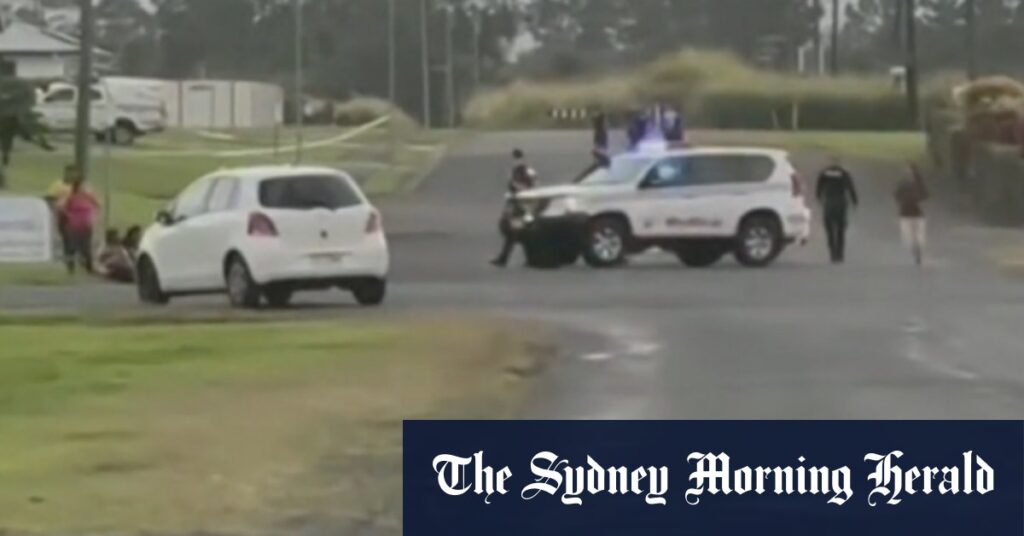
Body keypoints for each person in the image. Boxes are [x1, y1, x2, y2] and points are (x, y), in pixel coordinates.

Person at [491, 149, 537, 267]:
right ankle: (507, 258)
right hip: (522, 205)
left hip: (520, 205)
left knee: (516, 232)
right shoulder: (526, 170)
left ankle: (504, 258)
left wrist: (515, 188)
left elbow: (523, 187)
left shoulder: (520, 171)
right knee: (518, 232)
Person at [816, 156, 859, 264]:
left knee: (829, 230)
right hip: (841, 203)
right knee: (841, 230)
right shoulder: (844, 173)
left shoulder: (824, 173)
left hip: (829, 203)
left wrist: (819, 199)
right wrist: (855, 201)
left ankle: (832, 254)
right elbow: (851, 188)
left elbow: (819, 188)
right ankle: (840, 254)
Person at [58, 178, 100, 274]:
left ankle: (89, 268)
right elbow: (60, 206)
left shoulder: (88, 197)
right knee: (72, 247)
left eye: (86, 186)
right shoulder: (71, 196)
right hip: (74, 225)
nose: (86, 188)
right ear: (78, 187)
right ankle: (70, 268)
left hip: (86, 225)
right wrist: (68, 214)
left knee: (86, 247)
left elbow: (98, 204)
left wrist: (94, 217)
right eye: (84, 186)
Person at [894, 164, 929, 266]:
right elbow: (896, 196)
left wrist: (919, 200)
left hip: (917, 214)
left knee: (919, 237)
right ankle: (915, 249)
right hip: (905, 214)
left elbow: (925, 196)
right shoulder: (902, 184)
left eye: (910, 172)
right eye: (907, 172)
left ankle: (918, 250)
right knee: (908, 239)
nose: (908, 174)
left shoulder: (919, 185)